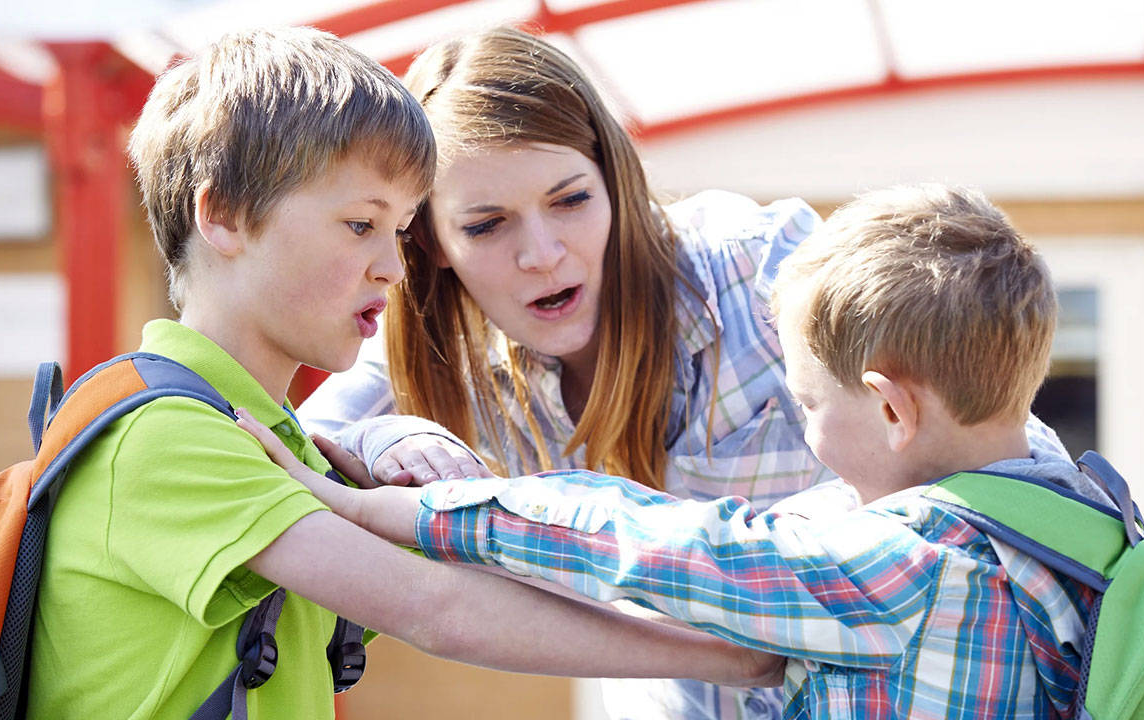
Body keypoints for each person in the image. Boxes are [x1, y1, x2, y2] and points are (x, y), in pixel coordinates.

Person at [299, 28, 1069, 719]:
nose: (541, 253)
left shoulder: (756, 269)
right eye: (487, 224)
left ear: (614, 184)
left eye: (569, 201)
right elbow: (289, 450)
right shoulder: (440, 358)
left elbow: (996, 438)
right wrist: (385, 438)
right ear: (430, 241)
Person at [24, 27, 784, 719]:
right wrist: (742, 654)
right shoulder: (169, 435)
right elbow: (438, 608)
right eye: (362, 225)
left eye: (396, 231)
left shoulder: (285, 443)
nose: (392, 268)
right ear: (221, 216)